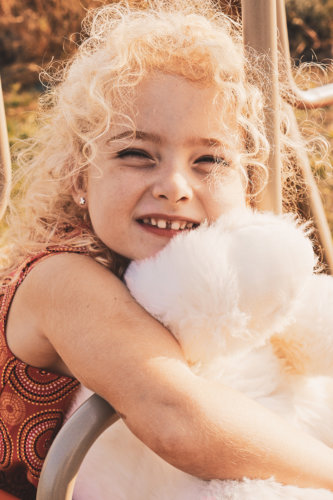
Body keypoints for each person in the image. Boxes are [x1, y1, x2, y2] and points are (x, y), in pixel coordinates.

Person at [0, 0, 332, 498]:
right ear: (78, 177)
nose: (175, 185)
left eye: (209, 158)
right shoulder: (63, 280)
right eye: (136, 153)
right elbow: (178, 420)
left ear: (246, 180)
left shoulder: (212, 275)